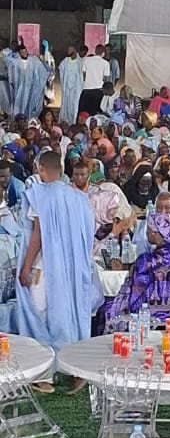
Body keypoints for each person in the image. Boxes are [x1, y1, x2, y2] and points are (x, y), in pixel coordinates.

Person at [16, 149, 95, 358]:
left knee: (38, 312)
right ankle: (71, 359)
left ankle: (44, 363)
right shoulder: (79, 198)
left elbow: (37, 235)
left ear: (41, 169)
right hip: (72, 265)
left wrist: (26, 267)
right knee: (68, 309)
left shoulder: (39, 195)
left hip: (44, 265)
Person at [106, 207, 170, 330]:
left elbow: (138, 281)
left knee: (107, 309)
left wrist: (126, 267)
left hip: (148, 312)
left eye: (148, 230)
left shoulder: (150, 259)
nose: (146, 234)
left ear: (153, 233)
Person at [6, 43, 49, 118]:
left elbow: (42, 69)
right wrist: (14, 52)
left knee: (29, 104)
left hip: (31, 88)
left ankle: (29, 118)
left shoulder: (33, 60)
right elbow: (8, 58)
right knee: (19, 105)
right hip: (20, 88)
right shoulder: (16, 62)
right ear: (19, 53)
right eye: (22, 52)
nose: (24, 53)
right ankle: (18, 119)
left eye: (25, 51)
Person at [79, 45, 110, 117]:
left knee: (84, 112)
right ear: (103, 53)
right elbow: (105, 79)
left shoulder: (86, 60)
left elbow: (84, 75)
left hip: (87, 90)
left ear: (95, 51)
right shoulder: (105, 63)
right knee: (96, 113)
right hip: (99, 91)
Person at [58, 45, 84, 126]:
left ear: (75, 50)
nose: (68, 51)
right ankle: (65, 122)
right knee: (66, 105)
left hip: (76, 88)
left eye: (70, 49)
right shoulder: (65, 61)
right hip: (67, 88)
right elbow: (61, 69)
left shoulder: (80, 62)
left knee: (74, 105)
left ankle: (73, 122)